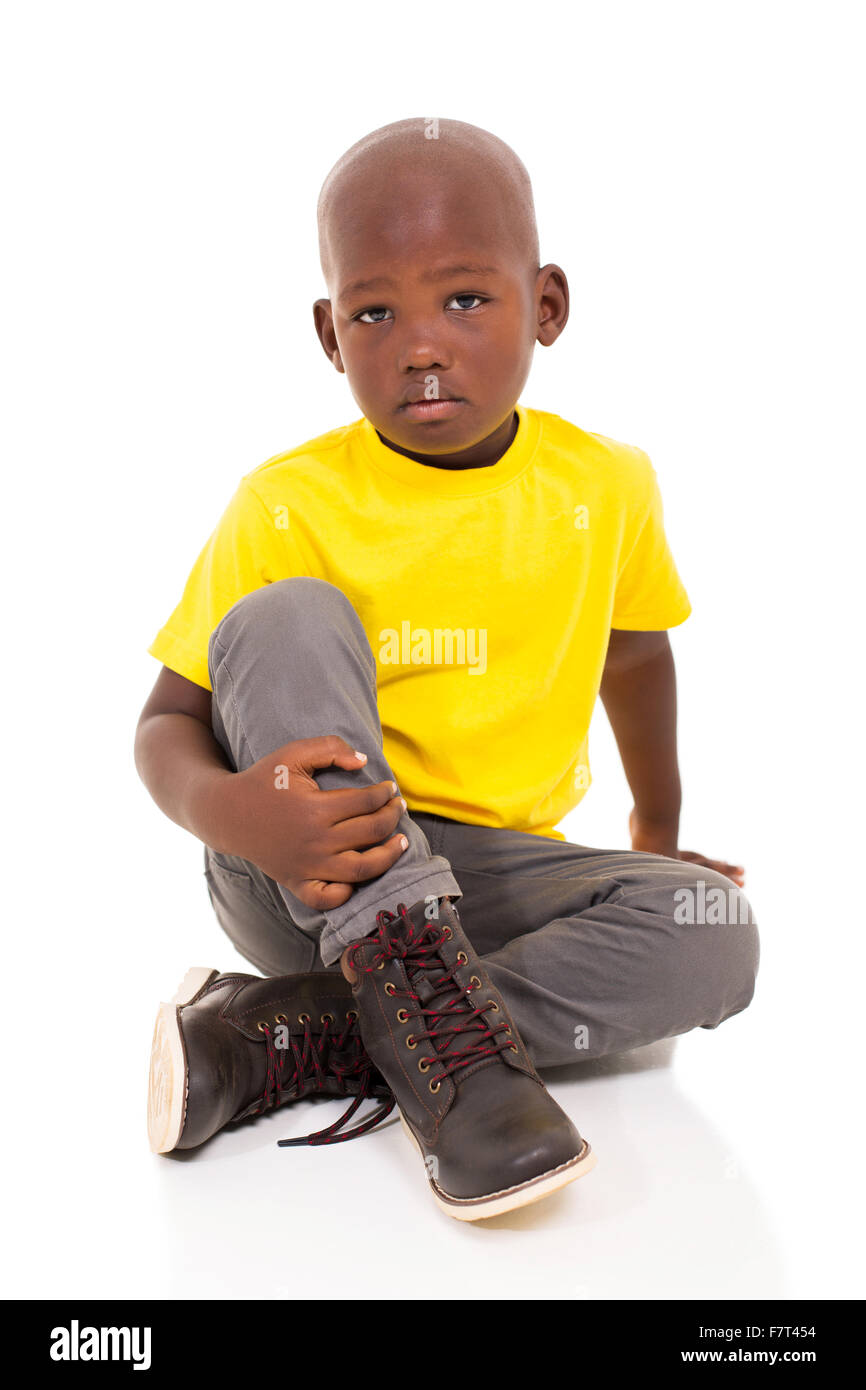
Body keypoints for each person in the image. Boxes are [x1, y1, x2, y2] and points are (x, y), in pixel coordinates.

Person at [134, 116, 759, 1221]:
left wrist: (654, 838)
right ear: (331, 335)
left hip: (487, 875)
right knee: (286, 615)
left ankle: (301, 1031)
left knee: (711, 931)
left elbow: (635, 651)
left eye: (464, 299)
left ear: (546, 306)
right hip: (306, 869)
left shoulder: (604, 483)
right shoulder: (287, 502)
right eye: (375, 312)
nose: (420, 343)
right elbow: (163, 724)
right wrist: (236, 812)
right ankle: (443, 1054)